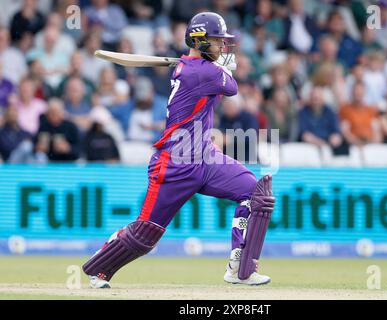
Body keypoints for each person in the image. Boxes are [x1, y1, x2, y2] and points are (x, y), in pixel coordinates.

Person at [82, 12, 275, 289]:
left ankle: (241, 269)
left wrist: (217, 62)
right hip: (175, 163)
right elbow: (231, 86)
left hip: (205, 157)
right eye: (217, 41)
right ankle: (98, 268)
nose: (222, 47)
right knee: (145, 233)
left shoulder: (196, 68)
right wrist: (223, 65)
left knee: (256, 194)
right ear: (199, 41)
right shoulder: (202, 72)